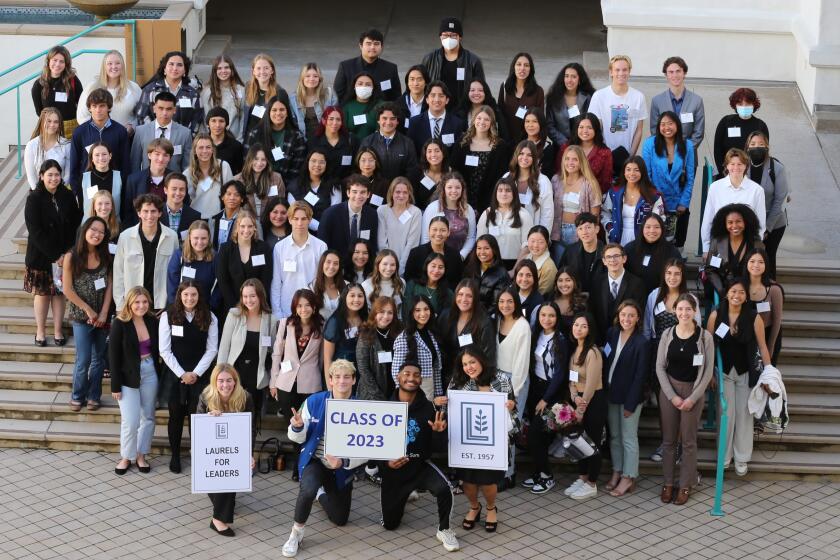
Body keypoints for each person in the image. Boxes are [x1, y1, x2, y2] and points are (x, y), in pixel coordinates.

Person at [281, 360, 365, 557]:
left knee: (340, 519)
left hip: (341, 467)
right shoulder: (314, 401)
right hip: (316, 461)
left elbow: (366, 450)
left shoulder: (362, 407)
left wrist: (344, 462)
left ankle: (321, 494)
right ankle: (296, 534)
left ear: (353, 380)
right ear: (330, 381)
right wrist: (298, 427)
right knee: (308, 488)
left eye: (346, 377)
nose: (342, 381)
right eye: (337, 377)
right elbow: (297, 438)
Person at [380, 359, 460, 552]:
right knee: (390, 525)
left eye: (416, 375)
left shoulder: (429, 409)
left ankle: (445, 529)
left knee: (444, 489)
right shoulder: (383, 407)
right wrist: (387, 464)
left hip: (419, 466)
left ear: (420, 379)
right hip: (394, 472)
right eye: (406, 373)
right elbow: (373, 449)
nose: (411, 378)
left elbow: (437, 449)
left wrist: (438, 433)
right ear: (398, 376)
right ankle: (406, 494)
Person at [707, 278, 772, 476]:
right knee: (725, 414)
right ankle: (724, 456)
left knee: (744, 415)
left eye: (741, 293)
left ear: (746, 297)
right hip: (724, 372)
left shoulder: (754, 317)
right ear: (727, 293)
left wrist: (768, 373)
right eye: (733, 291)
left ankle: (742, 457)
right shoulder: (716, 314)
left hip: (745, 372)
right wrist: (709, 372)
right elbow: (708, 345)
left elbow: (762, 346)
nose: (737, 295)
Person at [656, 294, 714, 505]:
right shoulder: (667, 334)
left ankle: (685, 484)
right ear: (674, 311)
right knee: (669, 441)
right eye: (680, 309)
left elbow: (707, 372)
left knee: (688, 441)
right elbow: (660, 367)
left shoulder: (705, 337)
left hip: (693, 392)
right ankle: (668, 483)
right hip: (670, 390)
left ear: (695, 311)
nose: (684, 313)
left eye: (688, 309)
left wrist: (692, 398)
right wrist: (672, 397)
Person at [448, 348, 513, 531]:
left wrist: (510, 405)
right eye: (465, 364)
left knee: (488, 481)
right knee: (467, 480)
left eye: (472, 362)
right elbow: (450, 411)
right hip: (466, 441)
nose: (469, 367)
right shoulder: (458, 381)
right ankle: (474, 507)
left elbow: (512, 404)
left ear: (482, 360)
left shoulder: (500, 379)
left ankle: (491, 508)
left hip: (493, 441)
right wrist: (441, 403)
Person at [644, 259, 701, 463]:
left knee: (682, 401)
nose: (672, 277)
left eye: (677, 274)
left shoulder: (690, 298)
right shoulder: (654, 295)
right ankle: (666, 443)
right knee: (664, 403)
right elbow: (647, 328)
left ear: (682, 276)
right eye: (669, 273)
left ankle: (679, 446)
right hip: (660, 356)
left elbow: (699, 332)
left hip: (683, 357)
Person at [159, 280, 219, 473]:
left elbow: (212, 350)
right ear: (180, 296)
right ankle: (175, 455)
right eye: (186, 295)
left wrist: (195, 373)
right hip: (175, 374)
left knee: (198, 417)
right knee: (175, 416)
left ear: (199, 296)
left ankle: (198, 454)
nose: (190, 298)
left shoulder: (210, 317)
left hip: (199, 375)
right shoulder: (168, 316)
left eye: (193, 295)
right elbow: (164, 350)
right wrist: (182, 374)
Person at [25, 160, 83, 346]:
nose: (53, 178)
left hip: (64, 254)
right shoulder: (34, 198)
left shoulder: (66, 195)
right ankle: (40, 332)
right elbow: (35, 231)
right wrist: (55, 256)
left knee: (59, 293)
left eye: (57, 175)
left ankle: (58, 331)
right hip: (42, 256)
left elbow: (75, 223)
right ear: (41, 176)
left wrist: (67, 252)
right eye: (49, 175)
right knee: (43, 294)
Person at [648, 56, 705, 247]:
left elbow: (698, 132)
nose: (675, 75)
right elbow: (654, 129)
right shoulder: (657, 101)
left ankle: (678, 244)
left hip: (686, 156)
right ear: (666, 75)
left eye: (678, 71)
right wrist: (667, 149)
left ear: (684, 73)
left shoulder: (696, 101)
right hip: (661, 156)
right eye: (670, 72)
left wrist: (683, 150)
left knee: (682, 201)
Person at [197, 364, 255, 536]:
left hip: (234, 449)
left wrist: (249, 454)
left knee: (230, 473)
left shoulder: (245, 398)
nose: (225, 385)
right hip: (210, 449)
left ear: (235, 381)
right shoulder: (206, 396)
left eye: (229, 380)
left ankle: (218, 519)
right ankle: (222, 511)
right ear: (215, 382)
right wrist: (208, 419)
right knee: (218, 476)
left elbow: (250, 430)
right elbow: (198, 427)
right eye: (221, 381)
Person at [217, 278, 278, 438]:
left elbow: (272, 351)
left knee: (250, 420)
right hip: (234, 375)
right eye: (245, 296)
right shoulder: (234, 315)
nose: (248, 300)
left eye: (252, 296)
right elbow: (224, 347)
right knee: (230, 418)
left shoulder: (271, 319)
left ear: (260, 296)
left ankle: (248, 459)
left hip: (256, 376)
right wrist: (219, 376)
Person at [62, 217, 112, 411]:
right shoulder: (71, 256)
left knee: (99, 358)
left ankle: (94, 396)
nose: (97, 234)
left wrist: (104, 312)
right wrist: (88, 310)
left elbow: (109, 286)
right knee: (83, 359)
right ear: (85, 230)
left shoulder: (106, 255)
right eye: (93, 229)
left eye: (101, 232)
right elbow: (67, 289)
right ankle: (77, 395)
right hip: (81, 317)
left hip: (102, 317)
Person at [109, 286, 159, 475]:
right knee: (130, 421)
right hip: (127, 376)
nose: (141, 305)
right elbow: (113, 356)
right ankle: (126, 456)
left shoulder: (152, 320)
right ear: (129, 303)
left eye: (145, 302)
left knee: (148, 417)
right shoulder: (120, 323)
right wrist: (115, 385)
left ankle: (141, 454)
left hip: (150, 371)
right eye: (137, 302)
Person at [270, 289, 324, 457]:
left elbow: (322, 358)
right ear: (294, 307)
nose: (303, 309)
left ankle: (307, 459)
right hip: (286, 383)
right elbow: (277, 354)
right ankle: (297, 460)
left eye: (307, 305)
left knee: (309, 423)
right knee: (292, 423)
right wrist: (273, 381)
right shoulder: (286, 324)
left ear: (314, 307)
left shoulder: (321, 326)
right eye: (299, 305)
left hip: (311, 383)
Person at [602, 300, 648, 497]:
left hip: (631, 398)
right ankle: (617, 471)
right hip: (611, 394)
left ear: (637, 318)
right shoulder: (611, 334)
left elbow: (641, 376)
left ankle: (629, 476)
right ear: (618, 316)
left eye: (631, 315)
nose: (626, 319)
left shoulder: (642, 342)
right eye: (623, 315)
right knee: (615, 437)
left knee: (629, 438)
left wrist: (631, 403)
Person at [524, 301, 570, 494]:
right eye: (543, 315)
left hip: (551, 392)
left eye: (551, 315)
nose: (547, 319)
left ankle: (547, 476)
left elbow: (560, 373)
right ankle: (538, 473)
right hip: (536, 389)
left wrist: (546, 398)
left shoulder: (560, 339)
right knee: (537, 436)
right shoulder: (536, 335)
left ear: (557, 318)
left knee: (536, 434)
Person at [112, 193, 178, 312]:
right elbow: (118, 273)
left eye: (153, 211)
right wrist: (120, 305)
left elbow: (175, 272)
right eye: (145, 211)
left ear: (160, 213)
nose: (149, 215)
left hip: (161, 305)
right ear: (139, 213)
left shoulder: (172, 237)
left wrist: (170, 304)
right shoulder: (125, 237)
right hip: (133, 303)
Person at [565, 312, 606, 499]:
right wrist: (574, 396)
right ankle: (582, 477)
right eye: (575, 325)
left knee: (593, 442)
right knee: (579, 442)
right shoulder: (575, 351)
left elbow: (591, 382)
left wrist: (581, 408)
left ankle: (592, 483)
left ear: (590, 330)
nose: (578, 329)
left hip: (593, 400)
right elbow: (571, 380)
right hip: (579, 399)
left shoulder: (593, 352)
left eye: (583, 326)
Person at [494, 286, 532, 488]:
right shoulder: (497, 320)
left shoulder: (522, 326)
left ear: (516, 303)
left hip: (515, 381)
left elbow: (522, 363)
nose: (505, 305)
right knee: (498, 428)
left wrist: (514, 393)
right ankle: (499, 469)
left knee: (509, 428)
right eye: (501, 301)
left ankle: (509, 474)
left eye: (509, 301)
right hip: (496, 380)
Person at [642, 111, 696, 248]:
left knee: (677, 245)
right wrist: (655, 200)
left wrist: (684, 202)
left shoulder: (688, 145)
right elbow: (646, 175)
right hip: (656, 203)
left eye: (670, 123)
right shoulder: (650, 144)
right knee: (656, 244)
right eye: (663, 124)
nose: (667, 127)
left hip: (679, 205)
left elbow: (690, 177)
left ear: (677, 125)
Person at [587, 55, 647, 176]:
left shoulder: (638, 97)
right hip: (604, 155)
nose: (621, 73)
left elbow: (639, 130)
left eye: (625, 70)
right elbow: (595, 129)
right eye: (617, 70)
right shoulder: (599, 96)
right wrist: (601, 155)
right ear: (611, 72)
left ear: (629, 71)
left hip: (627, 157)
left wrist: (631, 157)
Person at [68, 89, 130, 203]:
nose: (98, 110)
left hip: (114, 186)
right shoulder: (79, 132)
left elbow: (125, 164)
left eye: (102, 106)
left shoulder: (120, 131)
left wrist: (123, 188)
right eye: (94, 106)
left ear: (109, 107)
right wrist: (77, 191)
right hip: (87, 186)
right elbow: (74, 165)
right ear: (89, 108)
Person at [271, 201, 327, 319]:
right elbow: (276, 283)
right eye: (296, 219)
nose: (300, 223)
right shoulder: (280, 247)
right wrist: (277, 313)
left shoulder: (321, 246)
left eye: (304, 219)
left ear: (310, 220)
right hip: (287, 309)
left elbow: (323, 281)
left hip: (312, 309)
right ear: (290, 220)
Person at [450, 105, 511, 213]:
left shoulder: (500, 146)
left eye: (486, 119)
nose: (482, 122)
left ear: (492, 123)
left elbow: (502, 174)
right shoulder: (462, 143)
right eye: (479, 118)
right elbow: (455, 169)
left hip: (490, 199)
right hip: (464, 197)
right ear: (474, 120)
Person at [745, 131, 789, 278]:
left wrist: (766, 229)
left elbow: (779, 201)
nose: (757, 147)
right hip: (749, 224)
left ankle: (770, 294)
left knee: (767, 259)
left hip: (774, 224)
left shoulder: (777, 168)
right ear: (747, 147)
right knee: (749, 260)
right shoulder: (743, 167)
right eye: (753, 144)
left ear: (767, 147)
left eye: (761, 144)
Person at [550, 145, 602, 262]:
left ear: (581, 162)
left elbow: (595, 216)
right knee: (559, 267)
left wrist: (588, 235)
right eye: (567, 159)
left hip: (579, 233)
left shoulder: (590, 183)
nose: (570, 162)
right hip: (557, 231)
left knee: (576, 268)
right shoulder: (556, 180)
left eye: (575, 159)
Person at [216, 211, 272, 316]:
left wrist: (254, 304)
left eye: (250, 226)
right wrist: (237, 306)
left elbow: (266, 280)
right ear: (237, 228)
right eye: (242, 226)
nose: (246, 230)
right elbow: (223, 281)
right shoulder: (225, 249)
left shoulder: (263, 248)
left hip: (257, 307)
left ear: (255, 228)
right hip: (232, 308)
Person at [589, 243, 646, 345]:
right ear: (604, 261)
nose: (612, 260)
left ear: (624, 258)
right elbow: (592, 313)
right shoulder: (596, 282)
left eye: (616, 256)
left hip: (627, 341)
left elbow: (639, 315)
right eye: (608, 257)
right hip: (601, 341)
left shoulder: (637, 284)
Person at [421, 17, 485, 108]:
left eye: (453, 35)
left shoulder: (473, 61)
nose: (448, 38)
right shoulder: (430, 59)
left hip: (462, 111)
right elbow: (422, 86)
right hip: (436, 109)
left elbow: (481, 89)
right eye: (445, 35)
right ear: (440, 36)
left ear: (460, 37)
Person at [704, 204, 765, 298]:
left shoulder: (756, 243)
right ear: (724, 224)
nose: (734, 226)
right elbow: (711, 269)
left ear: (746, 222)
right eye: (730, 222)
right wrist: (722, 291)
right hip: (725, 292)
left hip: (750, 292)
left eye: (738, 221)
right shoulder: (717, 242)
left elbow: (763, 270)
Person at [602, 156, 665, 246]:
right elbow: (605, 213)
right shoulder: (614, 193)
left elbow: (660, 218)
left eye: (636, 170)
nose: (632, 173)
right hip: (618, 238)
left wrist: (650, 234)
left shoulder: (653, 195)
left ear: (642, 172)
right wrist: (611, 229)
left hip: (644, 240)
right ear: (624, 172)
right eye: (628, 169)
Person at [135, 51, 203, 134]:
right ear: (164, 68)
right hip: (155, 143)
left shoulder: (193, 94)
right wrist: (155, 137)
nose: (175, 68)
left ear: (185, 70)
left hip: (182, 142)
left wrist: (185, 138)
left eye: (179, 65)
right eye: (171, 64)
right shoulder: (150, 90)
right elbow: (141, 116)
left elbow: (196, 120)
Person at [392, 295, 445, 400]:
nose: (423, 314)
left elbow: (435, 368)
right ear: (411, 313)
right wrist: (405, 395)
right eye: (417, 310)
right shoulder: (404, 337)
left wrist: (438, 393)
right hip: (412, 391)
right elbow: (396, 373)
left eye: (426, 309)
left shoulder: (431, 333)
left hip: (430, 390)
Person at [245, 96, 306, 185]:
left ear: (287, 113)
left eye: (282, 110)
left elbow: (296, 170)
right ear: (268, 112)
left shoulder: (297, 137)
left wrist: (282, 186)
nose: (278, 113)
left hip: (285, 185)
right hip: (257, 183)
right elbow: (247, 162)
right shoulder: (255, 134)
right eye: (274, 110)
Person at [77, 50, 142, 131]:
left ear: (123, 66)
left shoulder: (134, 88)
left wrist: (133, 127)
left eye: (117, 63)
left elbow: (142, 114)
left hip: (127, 139)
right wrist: (96, 131)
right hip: (99, 140)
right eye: (110, 63)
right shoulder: (92, 88)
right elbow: (82, 116)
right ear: (104, 66)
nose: (114, 67)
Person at [476, 178, 533, 268]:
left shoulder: (524, 215)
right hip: (490, 264)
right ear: (495, 193)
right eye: (500, 190)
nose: (504, 194)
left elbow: (527, 246)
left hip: (515, 265)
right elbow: (480, 242)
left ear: (514, 193)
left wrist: (515, 270)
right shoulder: (487, 213)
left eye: (508, 190)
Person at [129, 92, 192, 173]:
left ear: (174, 110)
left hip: (174, 183)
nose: (164, 113)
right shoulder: (141, 131)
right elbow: (135, 164)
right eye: (161, 108)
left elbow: (187, 166)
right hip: (147, 182)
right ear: (154, 108)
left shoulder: (185, 133)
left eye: (168, 109)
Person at [318, 174, 379, 256]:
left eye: (363, 192)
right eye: (354, 192)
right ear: (348, 193)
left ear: (368, 194)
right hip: (337, 263)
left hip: (361, 263)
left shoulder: (372, 214)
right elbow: (322, 245)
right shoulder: (330, 214)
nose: (358, 196)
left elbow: (372, 244)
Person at [334, 29, 401, 104]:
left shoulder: (391, 68)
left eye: (376, 44)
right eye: (368, 43)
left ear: (381, 46)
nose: (372, 47)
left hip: (381, 113)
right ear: (361, 46)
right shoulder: (346, 67)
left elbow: (396, 97)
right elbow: (337, 96)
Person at [713, 88, 769, 175]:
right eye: (740, 104)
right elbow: (717, 150)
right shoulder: (726, 122)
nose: (744, 106)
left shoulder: (760, 126)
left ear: (754, 104)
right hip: (728, 173)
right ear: (735, 105)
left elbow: (763, 152)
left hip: (753, 175)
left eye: (748, 103)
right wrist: (724, 172)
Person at [421, 171, 477, 259]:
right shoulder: (432, 208)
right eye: (449, 187)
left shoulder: (468, 210)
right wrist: (433, 257)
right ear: (444, 189)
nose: (454, 191)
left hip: (459, 259)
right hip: (434, 259)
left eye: (457, 187)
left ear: (462, 189)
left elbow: (471, 237)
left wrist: (461, 256)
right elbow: (425, 237)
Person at [31, 45, 83, 138]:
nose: (57, 64)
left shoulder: (73, 81)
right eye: (55, 60)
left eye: (61, 61)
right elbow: (39, 112)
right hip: (49, 128)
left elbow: (82, 104)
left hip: (71, 129)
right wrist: (52, 123)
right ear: (48, 61)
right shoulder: (39, 84)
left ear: (66, 64)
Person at [360, 102, 420, 181]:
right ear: (378, 120)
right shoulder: (367, 142)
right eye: (384, 118)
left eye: (392, 119)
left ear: (397, 121)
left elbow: (412, 172)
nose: (388, 122)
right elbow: (361, 169)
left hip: (399, 191)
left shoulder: (407, 143)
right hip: (375, 189)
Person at [121, 138, 175, 226]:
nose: (161, 159)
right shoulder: (133, 180)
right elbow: (127, 212)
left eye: (165, 155)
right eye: (157, 154)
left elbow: (183, 206)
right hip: (140, 231)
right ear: (149, 155)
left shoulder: (177, 179)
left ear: (170, 158)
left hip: (169, 229)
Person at [356, 296, 401, 400]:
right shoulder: (366, 334)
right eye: (382, 312)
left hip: (395, 392)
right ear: (374, 313)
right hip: (371, 394)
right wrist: (378, 395)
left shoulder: (399, 332)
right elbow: (363, 369)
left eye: (390, 312)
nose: (386, 316)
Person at [624, 214, 682, 294]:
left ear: (662, 229)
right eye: (648, 227)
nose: (652, 230)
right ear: (642, 229)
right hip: (634, 296)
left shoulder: (671, 251)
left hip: (661, 296)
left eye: (657, 227)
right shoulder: (630, 249)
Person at [504, 140, 554, 230]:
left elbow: (547, 214)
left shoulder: (543, 181)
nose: (524, 157)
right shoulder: (506, 177)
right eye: (521, 153)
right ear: (516, 155)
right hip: (508, 231)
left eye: (529, 155)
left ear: (535, 158)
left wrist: (542, 236)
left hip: (532, 233)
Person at [556, 113, 613, 192]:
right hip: (566, 193)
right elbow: (559, 172)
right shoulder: (566, 148)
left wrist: (591, 195)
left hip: (593, 196)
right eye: (581, 127)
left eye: (589, 127)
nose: (585, 131)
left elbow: (606, 182)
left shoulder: (605, 152)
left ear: (596, 129)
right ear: (576, 129)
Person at [746, 247, 784, 365]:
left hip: (767, 336)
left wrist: (770, 346)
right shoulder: (740, 286)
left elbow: (777, 321)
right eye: (752, 261)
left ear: (766, 265)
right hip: (746, 337)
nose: (756, 265)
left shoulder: (774, 289)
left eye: (761, 262)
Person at [407, 81, 465, 156]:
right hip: (422, 167)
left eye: (441, 96)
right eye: (433, 95)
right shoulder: (415, 123)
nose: (437, 99)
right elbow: (411, 152)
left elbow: (457, 153)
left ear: (447, 100)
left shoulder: (457, 123)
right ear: (427, 99)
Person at [377, 177, 422, 273]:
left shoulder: (415, 212)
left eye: (405, 192)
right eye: (397, 192)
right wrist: (388, 264)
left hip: (406, 264)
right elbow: (381, 242)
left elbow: (412, 243)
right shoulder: (382, 210)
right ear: (391, 193)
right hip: (384, 265)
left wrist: (401, 267)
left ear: (409, 194)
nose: (401, 195)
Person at [322, 284, 368, 379]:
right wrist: (330, 388)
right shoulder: (334, 322)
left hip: (363, 376)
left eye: (360, 296)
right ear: (344, 298)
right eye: (352, 295)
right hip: (342, 377)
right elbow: (327, 359)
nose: (356, 299)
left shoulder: (367, 318)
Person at [497, 53, 544, 144]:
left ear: (531, 69)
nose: (522, 68)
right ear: (513, 67)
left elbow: (539, 119)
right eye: (519, 64)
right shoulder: (504, 87)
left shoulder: (538, 91)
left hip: (528, 142)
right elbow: (500, 114)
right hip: (506, 140)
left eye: (526, 65)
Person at [166, 220, 216, 307]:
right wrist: (175, 307)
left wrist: (211, 306)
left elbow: (218, 286)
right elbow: (172, 285)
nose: (199, 242)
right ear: (189, 237)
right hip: (180, 307)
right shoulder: (179, 256)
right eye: (196, 238)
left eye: (203, 238)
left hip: (205, 308)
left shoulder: (215, 258)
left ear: (209, 238)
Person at [404, 216, 464, 287]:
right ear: (429, 231)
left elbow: (458, 281)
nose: (438, 233)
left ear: (448, 232)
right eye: (434, 229)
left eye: (443, 230)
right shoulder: (416, 253)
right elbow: (409, 279)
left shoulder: (455, 255)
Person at [186, 133, 234, 220]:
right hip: (195, 221)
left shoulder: (223, 167)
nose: (204, 151)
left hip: (218, 219)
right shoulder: (187, 174)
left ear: (212, 150)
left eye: (208, 147)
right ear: (194, 151)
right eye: (201, 148)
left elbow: (231, 194)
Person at [545, 62, 595, 146]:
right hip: (560, 146)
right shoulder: (553, 98)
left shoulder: (588, 98)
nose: (569, 80)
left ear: (580, 79)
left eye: (573, 77)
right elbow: (549, 126)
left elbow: (591, 122)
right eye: (566, 76)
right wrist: (565, 143)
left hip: (583, 144)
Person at [244, 53, 290, 141]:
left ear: (272, 70)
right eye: (258, 68)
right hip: (250, 138)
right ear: (253, 71)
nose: (262, 72)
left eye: (266, 68)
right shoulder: (247, 89)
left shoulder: (280, 92)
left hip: (270, 138)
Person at [200, 55, 247, 142]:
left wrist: (239, 140)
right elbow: (205, 119)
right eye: (219, 68)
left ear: (232, 70)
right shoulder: (207, 91)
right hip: (213, 141)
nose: (223, 71)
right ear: (215, 71)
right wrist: (209, 141)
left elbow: (243, 118)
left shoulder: (241, 90)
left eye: (226, 67)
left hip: (235, 140)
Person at [236, 144, 286, 223]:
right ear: (249, 159)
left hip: (270, 224)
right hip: (246, 225)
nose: (259, 163)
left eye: (263, 160)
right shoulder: (238, 180)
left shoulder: (277, 178)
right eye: (256, 159)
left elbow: (281, 203)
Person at [307, 106, 359, 183]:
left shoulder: (351, 140)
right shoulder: (314, 141)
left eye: (338, 119)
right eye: (331, 119)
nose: (335, 123)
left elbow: (356, 165)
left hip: (346, 186)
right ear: (324, 121)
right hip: (322, 185)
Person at [558, 212, 605, 294]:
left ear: (597, 229)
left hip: (600, 297)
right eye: (580, 228)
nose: (584, 232)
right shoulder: (570, 251)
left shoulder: (606, 253)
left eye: (588, 227)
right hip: (575, 297)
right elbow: (561, 275)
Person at [24, 107, 71, 189]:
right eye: (49, 121)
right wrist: (39, 194)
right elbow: (31, 176)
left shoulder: (66, 145)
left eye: (56, 122)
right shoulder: (31, 145)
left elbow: (68, 174)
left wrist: (57, 192)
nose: (52, 125)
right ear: (42, 122)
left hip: (60, 192)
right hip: (38, 194)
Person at [289, 63, 337, 141]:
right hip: (303, 140)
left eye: (315, 76)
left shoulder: (329, 95)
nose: (311, 79)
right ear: (302, 78)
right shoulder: (293, 99)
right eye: (307, 76)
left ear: (319, 79)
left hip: (325, 139)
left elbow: (336, 117)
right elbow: (293, 124)